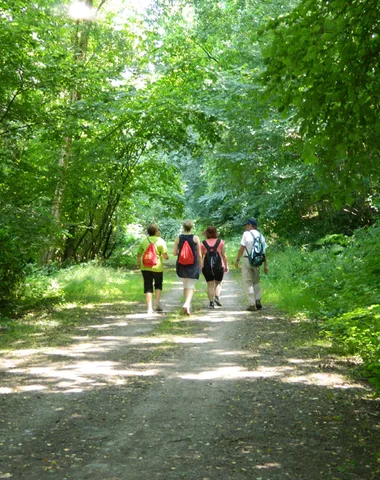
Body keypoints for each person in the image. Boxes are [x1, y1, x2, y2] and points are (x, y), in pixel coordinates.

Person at [234, 218, 268, 311]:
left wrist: (237, 260)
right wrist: (265, 265)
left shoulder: (246, 234)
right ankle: (258, 301)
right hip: (257, 261)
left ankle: (252, 304)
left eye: (246, 225)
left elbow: (242, 248)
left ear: (250, 225)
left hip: (246, 259)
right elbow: (264, 252)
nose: (245, 227)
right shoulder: (261, 236)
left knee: (247, 281)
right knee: (256, 282)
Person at [137, 224, 169, 315]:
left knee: (148, 285)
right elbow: (164, 255)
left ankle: (149, 308)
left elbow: (139, 255)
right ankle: (157, 304)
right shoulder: (161, 241)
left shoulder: (144, 241)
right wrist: (166, 258)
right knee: (158, 285)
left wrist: (139, 264)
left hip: (145, 267)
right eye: (158, 230)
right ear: (156, 232)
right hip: (157, 267)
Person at [173, 220, 202, 315]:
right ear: (192, 227)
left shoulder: (178, 238)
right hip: (193, 264)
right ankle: (187, 303)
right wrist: (201, 264)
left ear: (183, 227)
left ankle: (187, 306)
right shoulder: (196, 238)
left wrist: (182, 253)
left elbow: (174, 253)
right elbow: (199, 254)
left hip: (182, 264)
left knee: (185, 286)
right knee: (191, 286)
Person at [201, 226, 229, 309]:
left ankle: (211, 303)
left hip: (206, 266)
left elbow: (200, 255)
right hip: (219, 266)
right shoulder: (220, 242)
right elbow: (224, 255)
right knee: (218, 283)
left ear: (207, 233)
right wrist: (226, 265)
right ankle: (217, 297)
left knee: (210, 285)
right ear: (216, 232)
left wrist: (200, 265)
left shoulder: (202, 243)